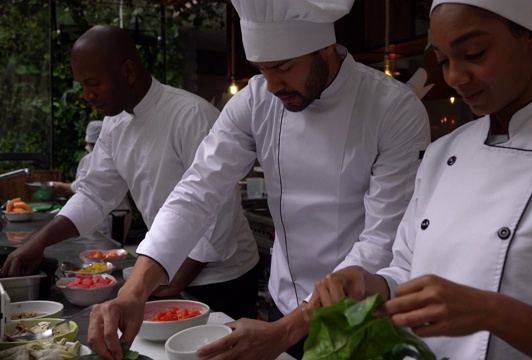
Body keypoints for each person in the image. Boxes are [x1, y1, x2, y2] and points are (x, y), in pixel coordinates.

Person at [86, 0, 430, 359]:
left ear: (325, 47)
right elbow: (196, 192)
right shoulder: (256, 101)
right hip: (283, 306)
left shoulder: (393, 109)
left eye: (283, 67)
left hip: (358, 319)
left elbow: (382, 239)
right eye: (262, 69)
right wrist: (134, 291)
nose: (272, 85)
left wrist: (286, 330)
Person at [311, 0, 532, 359]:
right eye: (444, 60)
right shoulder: (442, 152)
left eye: (474, 53)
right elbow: (407, 271)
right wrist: (367, 284)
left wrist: (492, 312)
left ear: (530, 36)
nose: (454, 77)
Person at [0, 25, 261, 321]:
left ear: (128, 71)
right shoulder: (114, 124)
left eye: (93, 83)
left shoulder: (190, 115)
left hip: (221, 278)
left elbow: (219, 211)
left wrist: (174, 282)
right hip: (166, 272)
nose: (87, 95)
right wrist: (37, 242)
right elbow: (94, 195)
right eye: (82, 85)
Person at [54, 120, 132, 239]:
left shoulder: (90, 159)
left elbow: (83, 188)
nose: (88, 146)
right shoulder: (117, 155)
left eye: (89, 143)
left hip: (108, 215)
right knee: (116, 248)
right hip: (123, 212)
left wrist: (59, 185)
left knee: (107, 247)